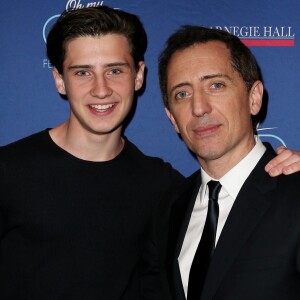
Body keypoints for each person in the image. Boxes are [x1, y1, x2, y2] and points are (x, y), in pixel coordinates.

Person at [0, 7, 299, 300]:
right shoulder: (8, 172)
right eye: (82, 72)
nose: (101, 89)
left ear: (138, 76)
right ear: (59, 80)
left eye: (115, 70)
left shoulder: (163, 189)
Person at [146, 25, 300, 300]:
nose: (199, 107)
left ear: (254, 98)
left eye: (216, 85)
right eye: (183, 93)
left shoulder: (294, 194)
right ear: (172, 119)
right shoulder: (169, 209)